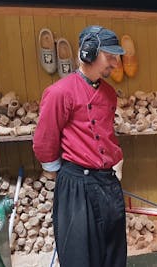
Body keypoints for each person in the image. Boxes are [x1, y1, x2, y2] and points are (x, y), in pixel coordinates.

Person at [33, 25, 126, 267]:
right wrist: (65, 177)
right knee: (80, 259)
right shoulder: (59, 92)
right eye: (110, 56)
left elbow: (106, 136)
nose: (115, 64)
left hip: (107, 185)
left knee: (113, 257)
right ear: (89, 53)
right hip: (76, 187)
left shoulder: (108, 93)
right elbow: (44, 141)